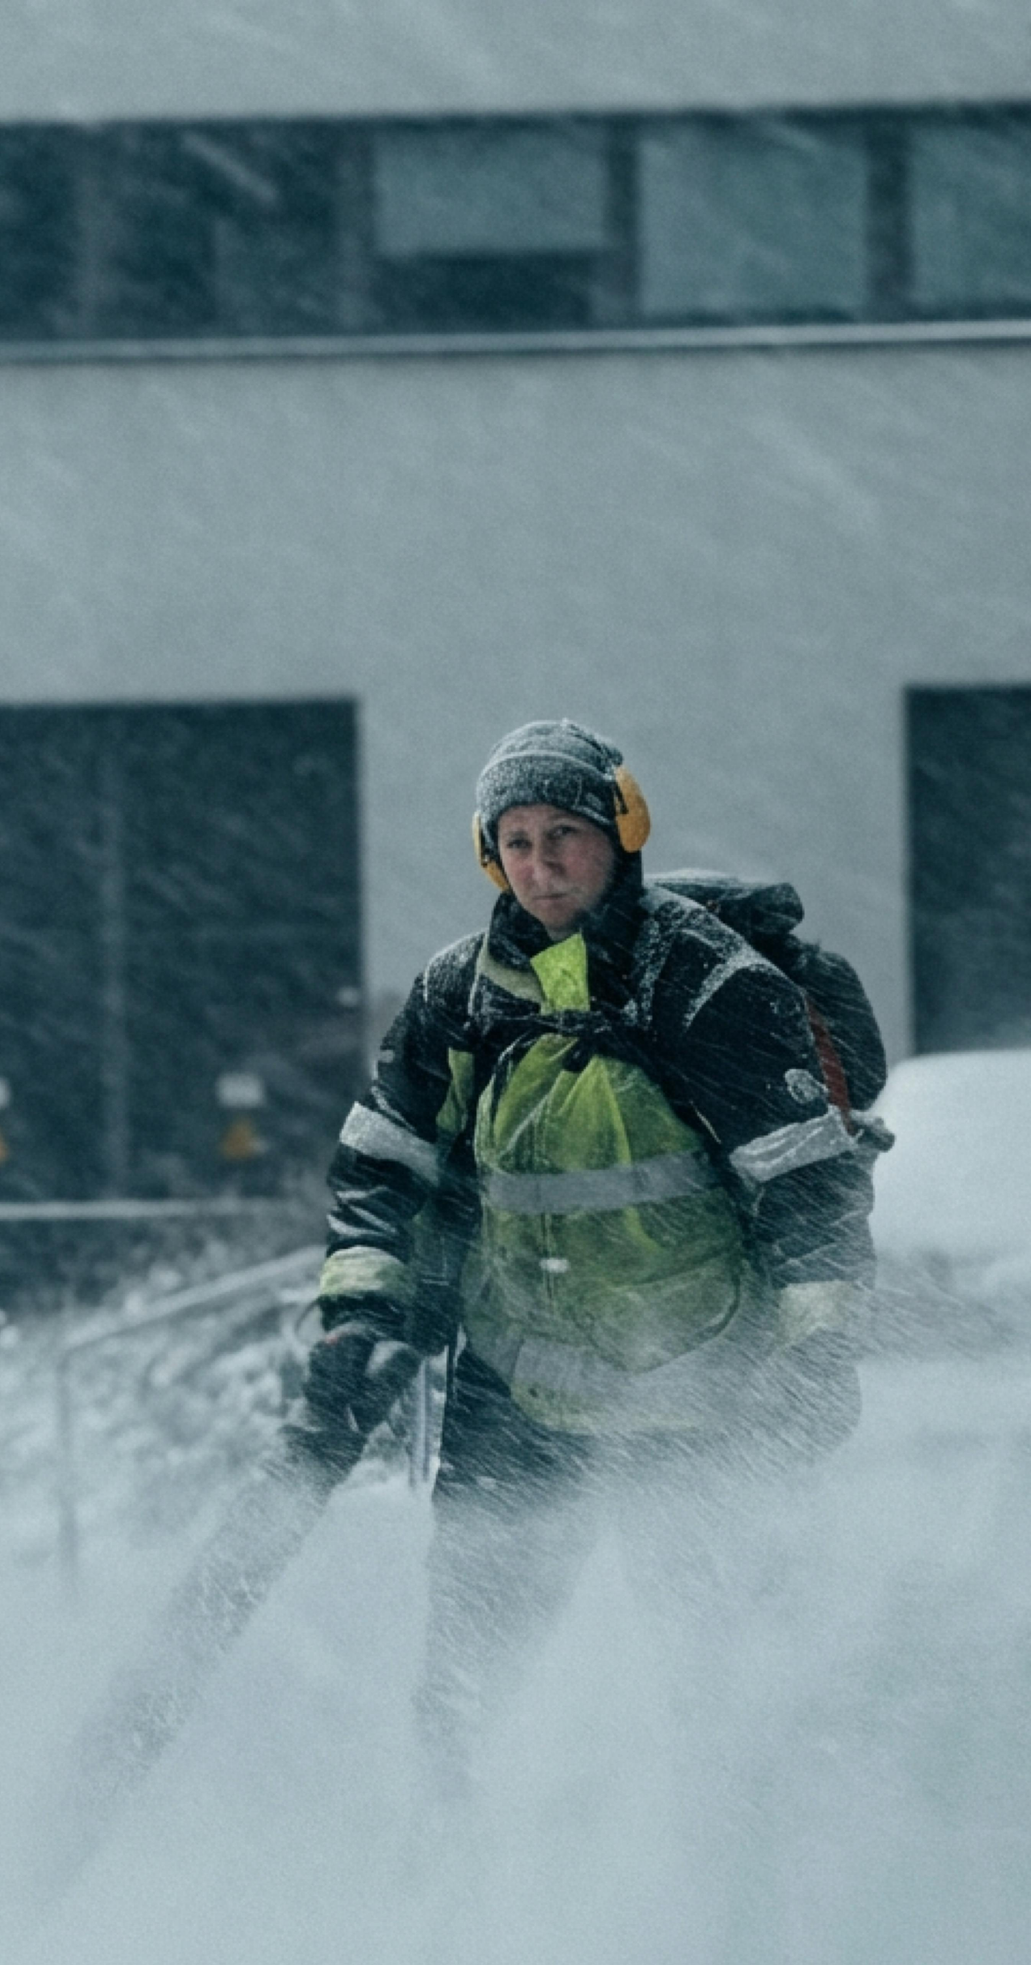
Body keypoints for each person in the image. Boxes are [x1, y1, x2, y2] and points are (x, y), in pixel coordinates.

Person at [291, 720, 881, 1784]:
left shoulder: (708, 986)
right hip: (517, 1391)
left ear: (622, 830)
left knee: (725, 1688)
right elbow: (382, 1168)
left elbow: (808, 1187)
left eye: (565, 833)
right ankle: (446, 1885)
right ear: (489, 856)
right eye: (515, 841)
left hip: (700, 1398)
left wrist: (820, 1348)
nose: (542, 864)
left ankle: (748, 1897)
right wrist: (360, 1314)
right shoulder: (459, 995)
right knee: (467, 1687)